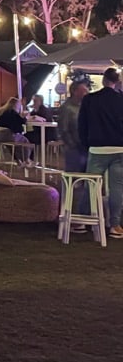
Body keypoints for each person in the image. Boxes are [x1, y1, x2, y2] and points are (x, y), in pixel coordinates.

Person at [79, 67, 123, 239]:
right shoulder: (121, 99)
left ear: (103, 80)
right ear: (117, 81)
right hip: (119, 147)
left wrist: (86, 143)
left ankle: (83, 220)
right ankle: (115, 224)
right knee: (117, 187)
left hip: (97, 147)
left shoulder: (90, 99)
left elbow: (82, 124)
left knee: (91, 184)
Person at [57, 80, 91, 231]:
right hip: (74, 149)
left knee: (87, 182)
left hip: (86, 148)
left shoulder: (85, 106)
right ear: (75, 91)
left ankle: (83, 215)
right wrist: (71, 145)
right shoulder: (67, 108)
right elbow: (63, 129)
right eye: (84, 90)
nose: (87, 92)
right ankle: (71, 215)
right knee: (73, 183)